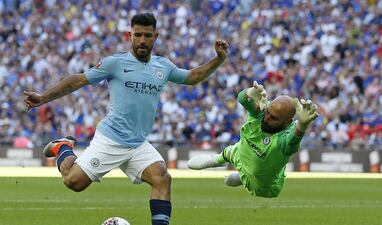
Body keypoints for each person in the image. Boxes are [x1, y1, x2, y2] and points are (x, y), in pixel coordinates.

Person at [23, 12, 228, 225]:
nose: (142, 40)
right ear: (129, 35)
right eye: (137, 35)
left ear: (155, 37)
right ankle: (63, 147)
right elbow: (79, 80)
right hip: (111, 138)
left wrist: (218, 59)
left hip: (137, 143)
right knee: (73, 182)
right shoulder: (115, 63)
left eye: (147, 36)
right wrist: (43, 97)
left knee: (162, 178)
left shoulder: (163, 66)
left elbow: (192, 77)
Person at [188, 81, 318, 198]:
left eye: (274, 118)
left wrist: (302, 125)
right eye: (268, 112)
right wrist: (250, 92)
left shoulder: (284, 139)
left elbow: (293, 142)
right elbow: (242, 99)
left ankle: (243, 176)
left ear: (287, 122)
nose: (266, 118)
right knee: (215, 158)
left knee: (257, 178)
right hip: (240, 152)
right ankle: (218, 160)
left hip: (264, 185)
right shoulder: (262, 111)